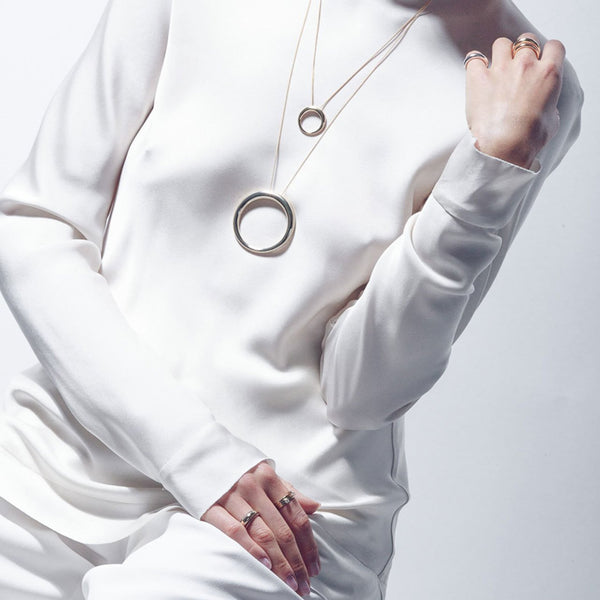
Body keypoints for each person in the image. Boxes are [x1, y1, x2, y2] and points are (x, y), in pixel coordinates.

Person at [0, 0, 583, 598]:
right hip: (59, 457)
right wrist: (199, 458)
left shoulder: (528, 81)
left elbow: (366, 392)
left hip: (287, 515)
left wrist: (483, 180)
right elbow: (37, 226)